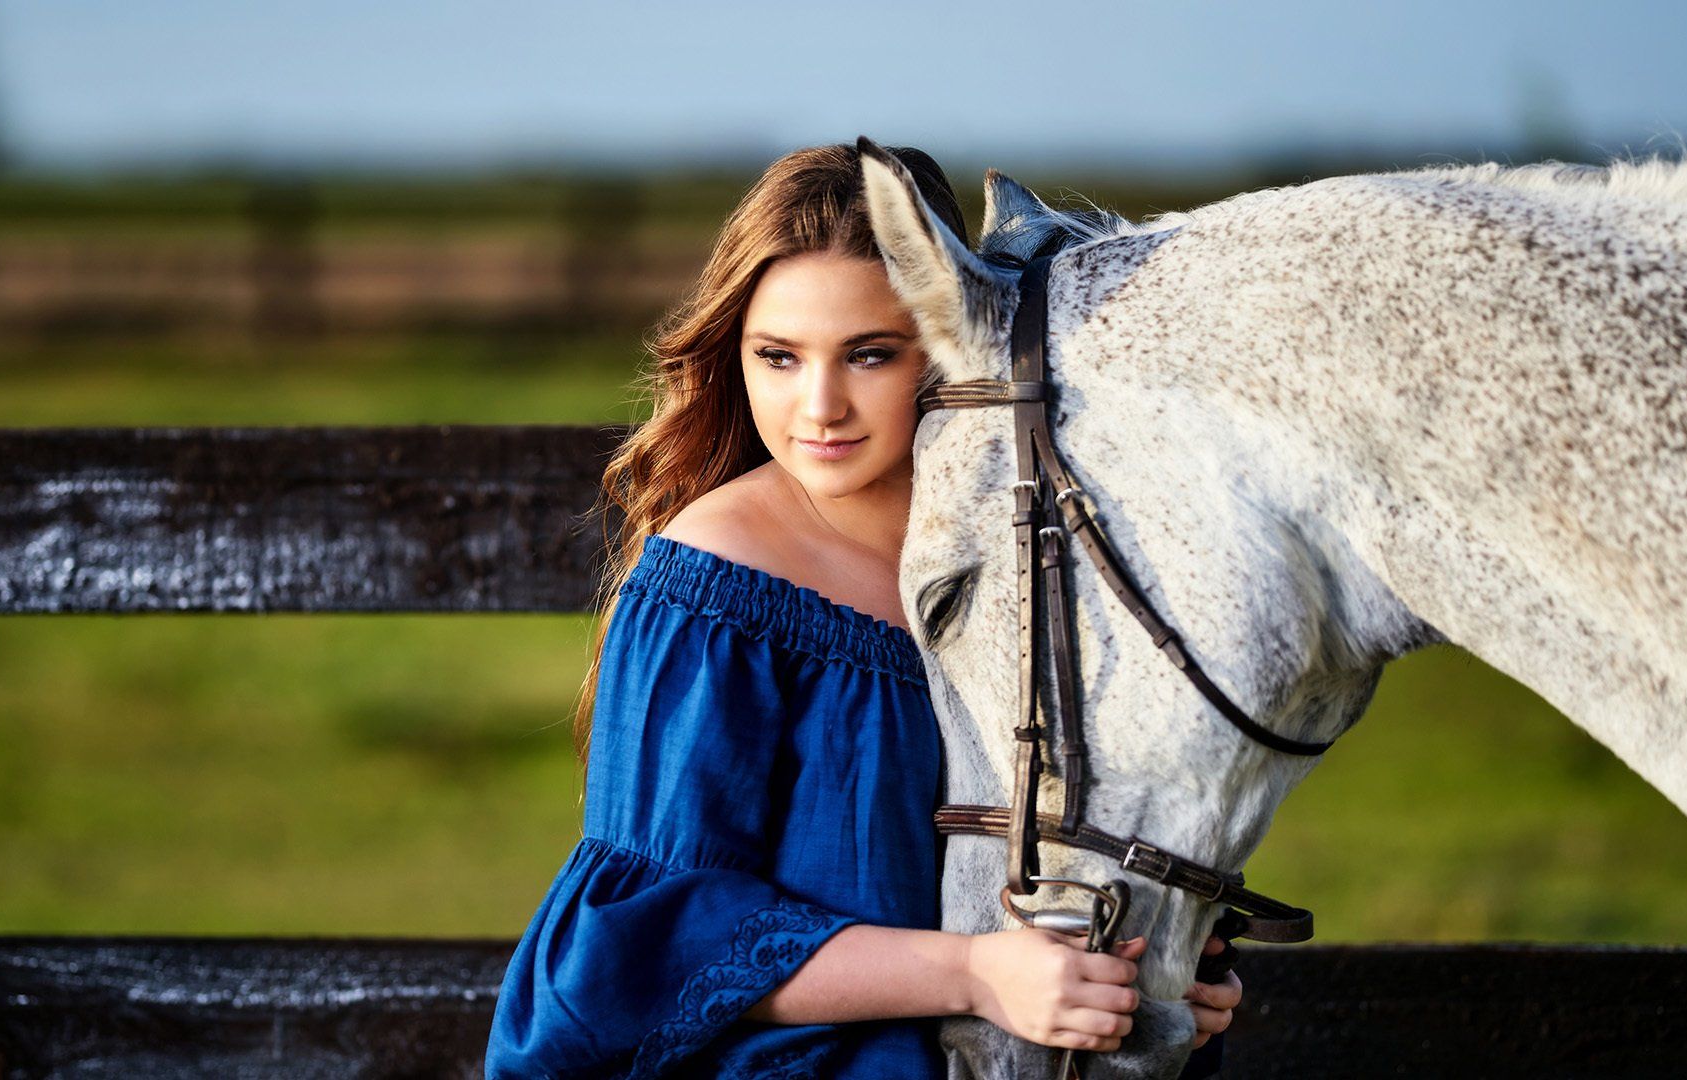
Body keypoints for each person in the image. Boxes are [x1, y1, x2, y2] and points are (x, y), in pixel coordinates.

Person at [485, 143, 1241, 1078]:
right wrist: (973, 974)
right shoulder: (716, 586)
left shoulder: (1028, 560)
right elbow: (640, 950)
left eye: (870, 354)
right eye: (778, 357)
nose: (821, 406)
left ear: (944, 344)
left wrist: (1154, 981)